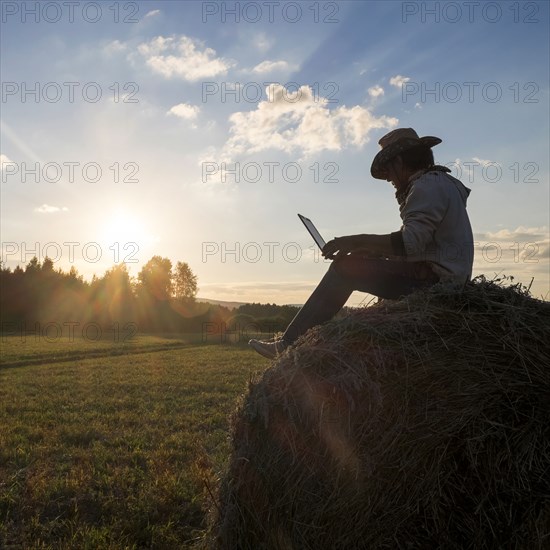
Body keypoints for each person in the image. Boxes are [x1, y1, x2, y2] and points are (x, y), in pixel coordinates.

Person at [249, 128, 474, 359]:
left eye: (388, 170)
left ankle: (288, 344)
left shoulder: (427, 186)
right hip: (444, 282)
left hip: (436, 286)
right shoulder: (438, 184)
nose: (388, 178)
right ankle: (296, 342)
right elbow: (419, 245)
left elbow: (409, 244)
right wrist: (369, 251)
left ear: (399, 161)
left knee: (344, 269)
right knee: (356, 262)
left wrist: (354, 242)